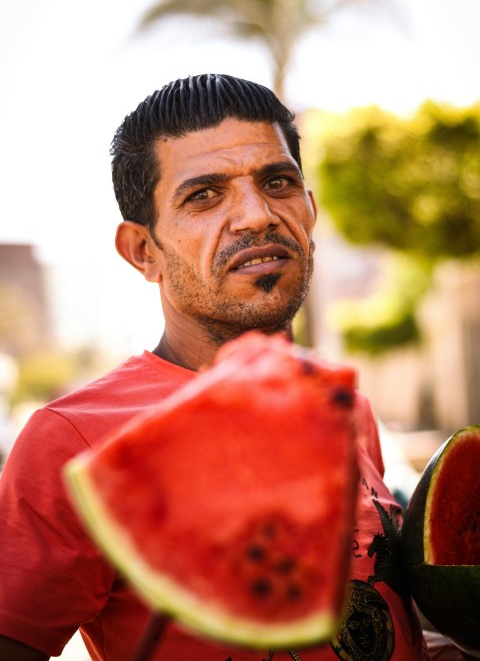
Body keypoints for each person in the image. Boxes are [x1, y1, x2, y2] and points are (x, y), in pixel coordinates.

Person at [0, 74, 467, 660]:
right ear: (143, 251)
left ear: (311, 208)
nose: (256, 215)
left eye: (278, 182)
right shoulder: (70, 442)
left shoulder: (348, 409)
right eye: (204, 195)